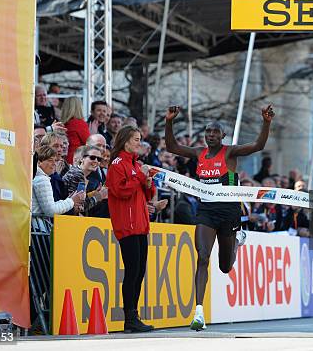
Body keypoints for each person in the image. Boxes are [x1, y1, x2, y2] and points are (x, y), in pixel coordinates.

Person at [165, 104, 275, 331]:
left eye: (215, 132)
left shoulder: (230, 152)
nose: (211, 135)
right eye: (207, 132)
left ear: (223, 136)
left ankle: (236, 241)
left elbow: (258, 145)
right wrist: (169, 121)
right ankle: (198, 312)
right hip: (206, 212)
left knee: (225, 266)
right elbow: (172, 146)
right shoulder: (199, 153)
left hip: (229, 213)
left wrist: (266, 123)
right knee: (202, 257)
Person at [106, 125, 155, 333]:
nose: (139, 143)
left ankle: (133, 315)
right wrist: (140, 177)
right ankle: (130, 317)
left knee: (140, 271)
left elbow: (148, 195)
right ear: (126, 141)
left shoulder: (136, 164)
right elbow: (121, 191)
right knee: (132, 270)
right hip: (127, 225)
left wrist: (148, 182)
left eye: (140, 139)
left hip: (140, 224)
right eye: (136, 139)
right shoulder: (117, 164)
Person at [32, 146, 85, 219]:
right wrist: (72, 201)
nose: (54, 164)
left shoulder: (37, 177)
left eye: (55, 160)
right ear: (39, 162)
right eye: (50, 160)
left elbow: (51, 206)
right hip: (37, 226)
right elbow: (51, 211)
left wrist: (68, 200)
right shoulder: (42, 179)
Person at [63, 145, 109, 217]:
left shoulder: (79, 173)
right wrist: (99, 196)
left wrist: (94, 193)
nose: (96, 161)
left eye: (99, 159)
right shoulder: (77, 174)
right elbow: (78, 207)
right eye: (92, 157)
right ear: (82, 159)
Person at [61, 96, 90, 164]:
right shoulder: (79, 124)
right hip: (76, 160)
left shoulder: (61, 125)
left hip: (63, 160)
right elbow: (89, 143)